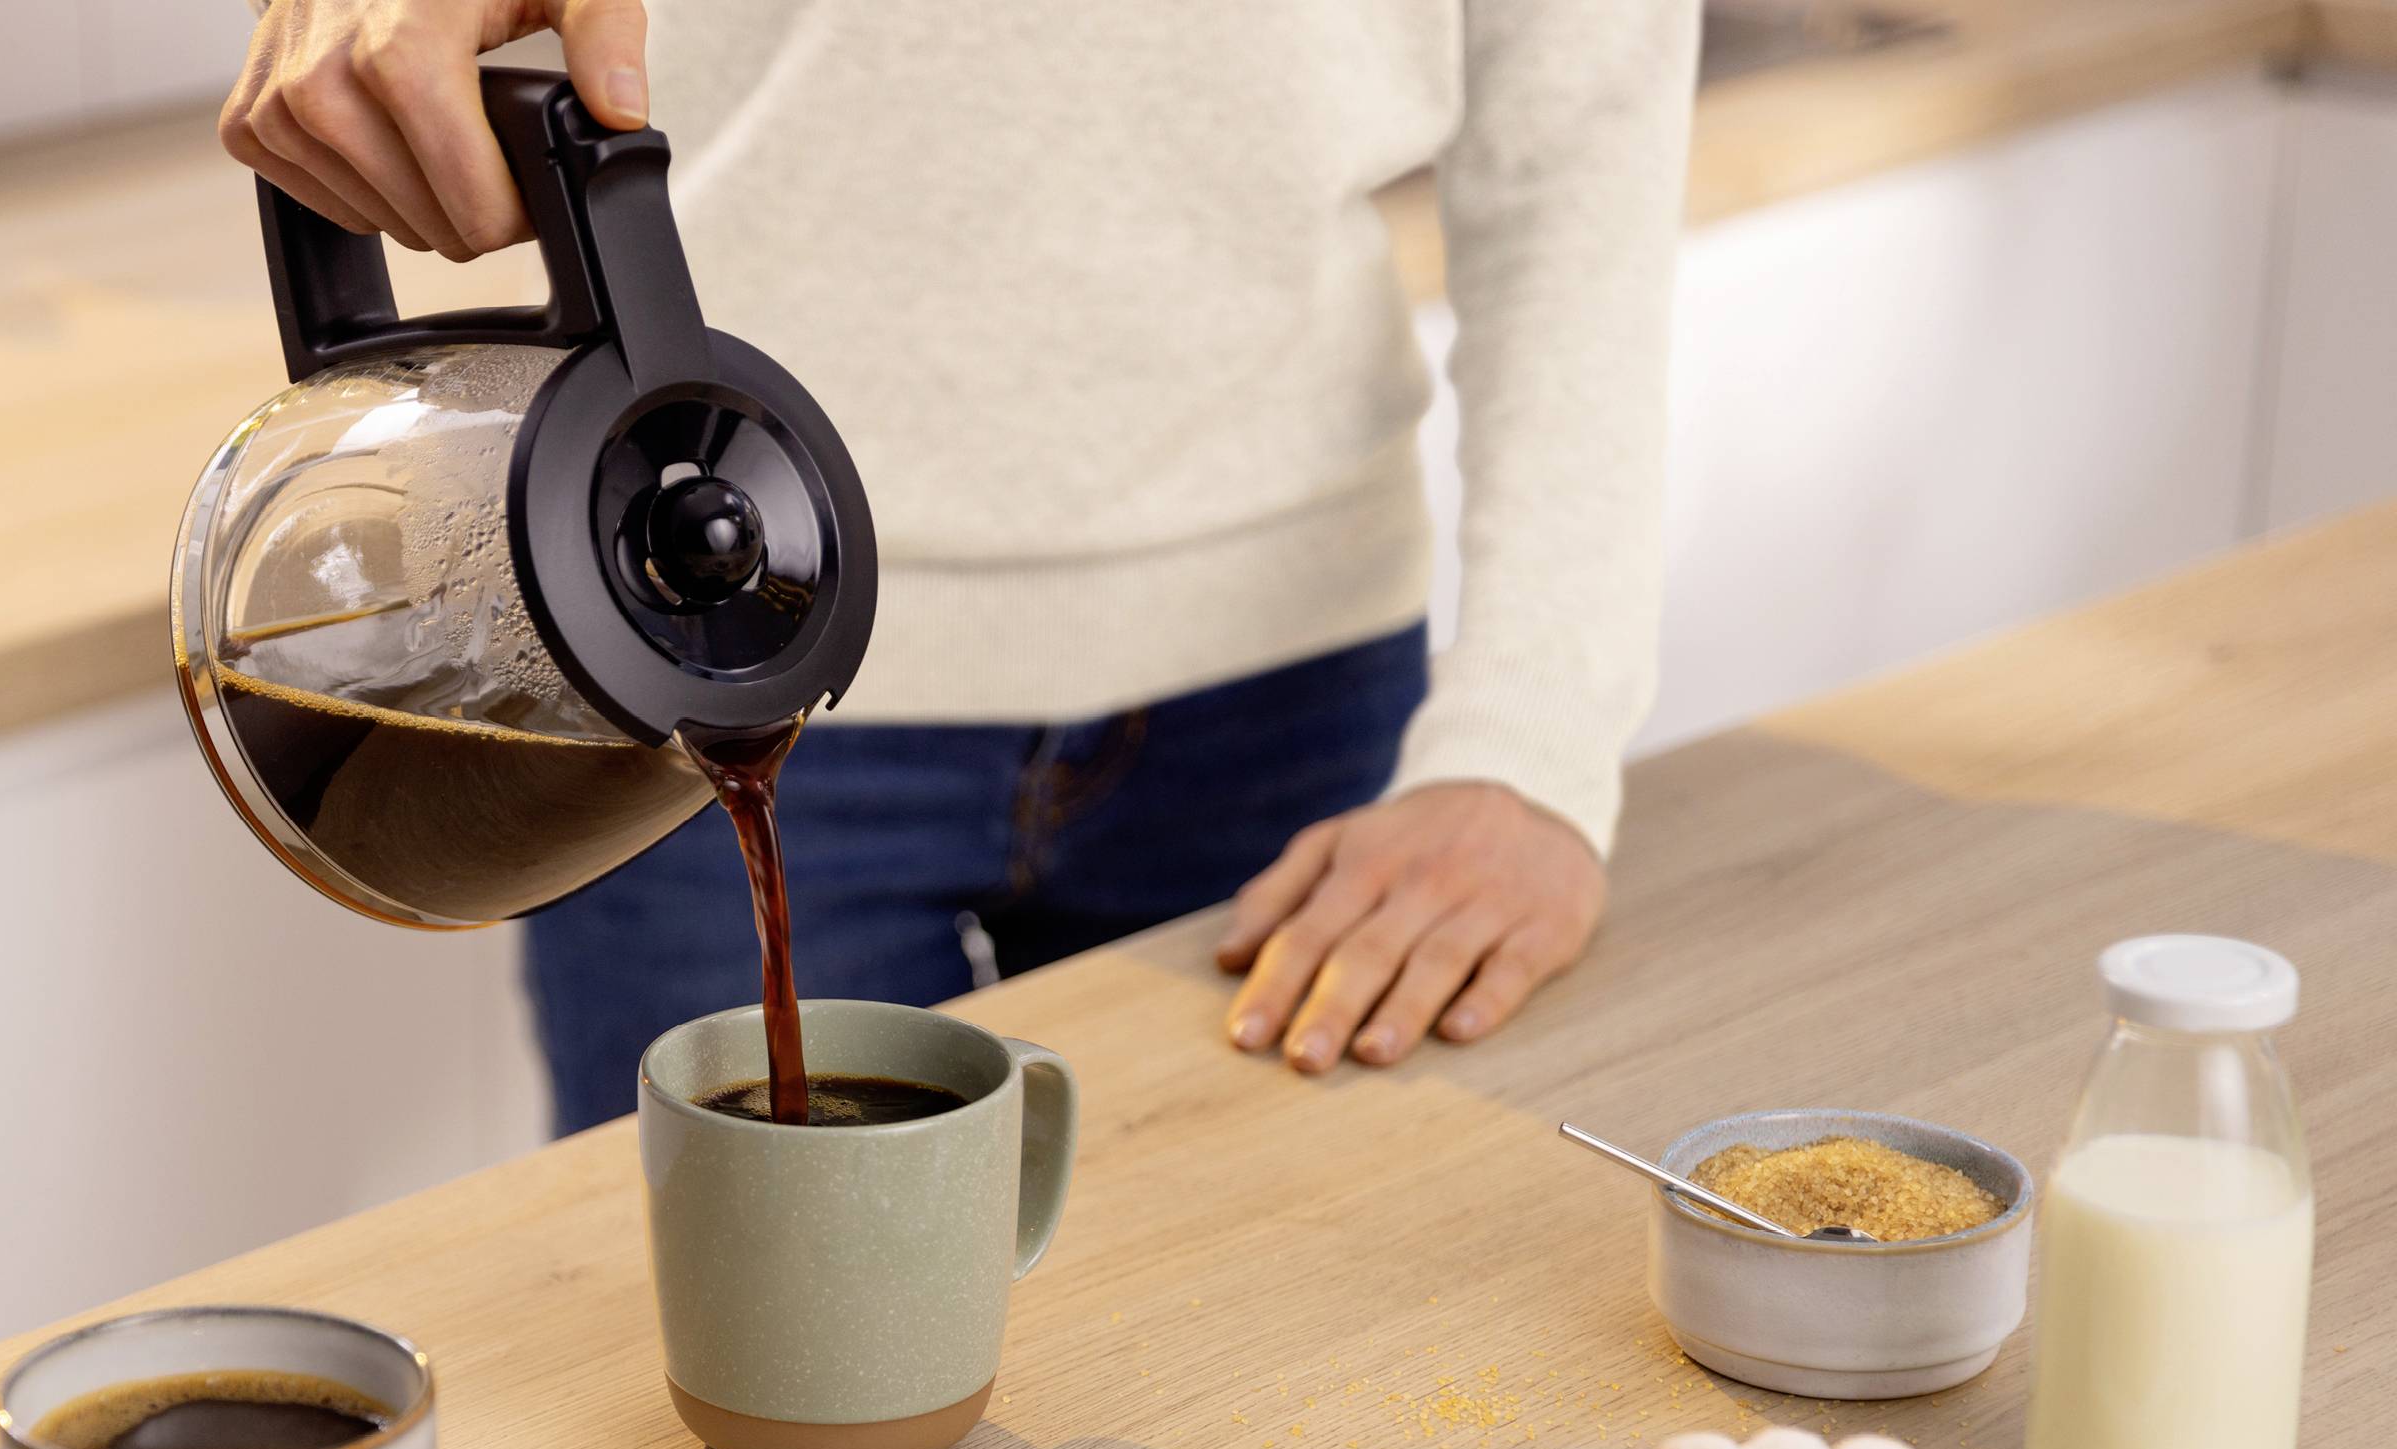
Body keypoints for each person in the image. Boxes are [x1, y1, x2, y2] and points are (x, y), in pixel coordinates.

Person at [223, 2, 1698, 1134]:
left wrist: (1531, 738)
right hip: (679, 650)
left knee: (1273, 1382)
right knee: (757, 1412)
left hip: (1294, 698)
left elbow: (1581, 122)